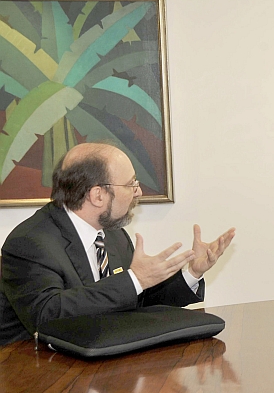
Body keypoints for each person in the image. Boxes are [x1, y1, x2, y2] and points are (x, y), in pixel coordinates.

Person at [0, 143, 236, 345]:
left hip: (102, 360)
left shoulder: (114, 235)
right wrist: (135, 279)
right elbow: (47, 316)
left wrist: (192, 273)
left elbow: (136, 300)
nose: (138, 191)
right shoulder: (30, 242)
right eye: (131, 184)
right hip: (38, 369)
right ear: (98, 195)